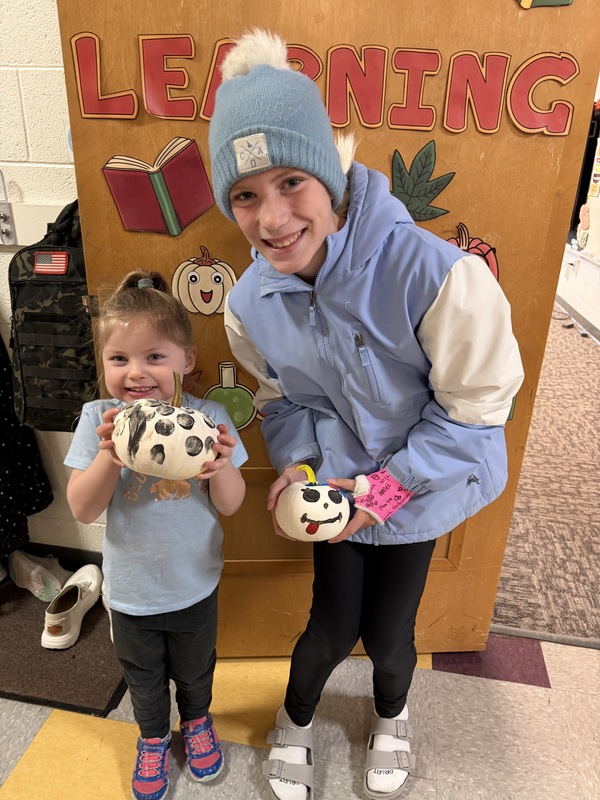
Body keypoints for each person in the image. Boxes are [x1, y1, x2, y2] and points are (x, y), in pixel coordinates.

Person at [208, 29, 525, 800]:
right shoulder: (250, 303)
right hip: (336, 493)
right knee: (327, 629)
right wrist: (301, 470)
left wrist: (380, 494)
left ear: (329, 174)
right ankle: (294, 720)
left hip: (418, 489)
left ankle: (392, 713)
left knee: (388, 637)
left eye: (291, 182)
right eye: (245, 195)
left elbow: (474, 413)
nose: (271, 217)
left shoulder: (435, 275)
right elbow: (284, 399)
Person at [64, 270, 247, 800]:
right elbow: (82, 508)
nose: (136, 372)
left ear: (186, 360)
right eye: (119, 358)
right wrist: (108, 455)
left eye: (155, 357)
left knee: (195, 671)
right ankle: (152, 737)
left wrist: (221, 468)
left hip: (194, 584)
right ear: (103, 364)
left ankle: (196, 721)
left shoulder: (209, 419)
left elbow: (232, 505)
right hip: (132, 591)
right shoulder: (98, 418)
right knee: (142, 677)